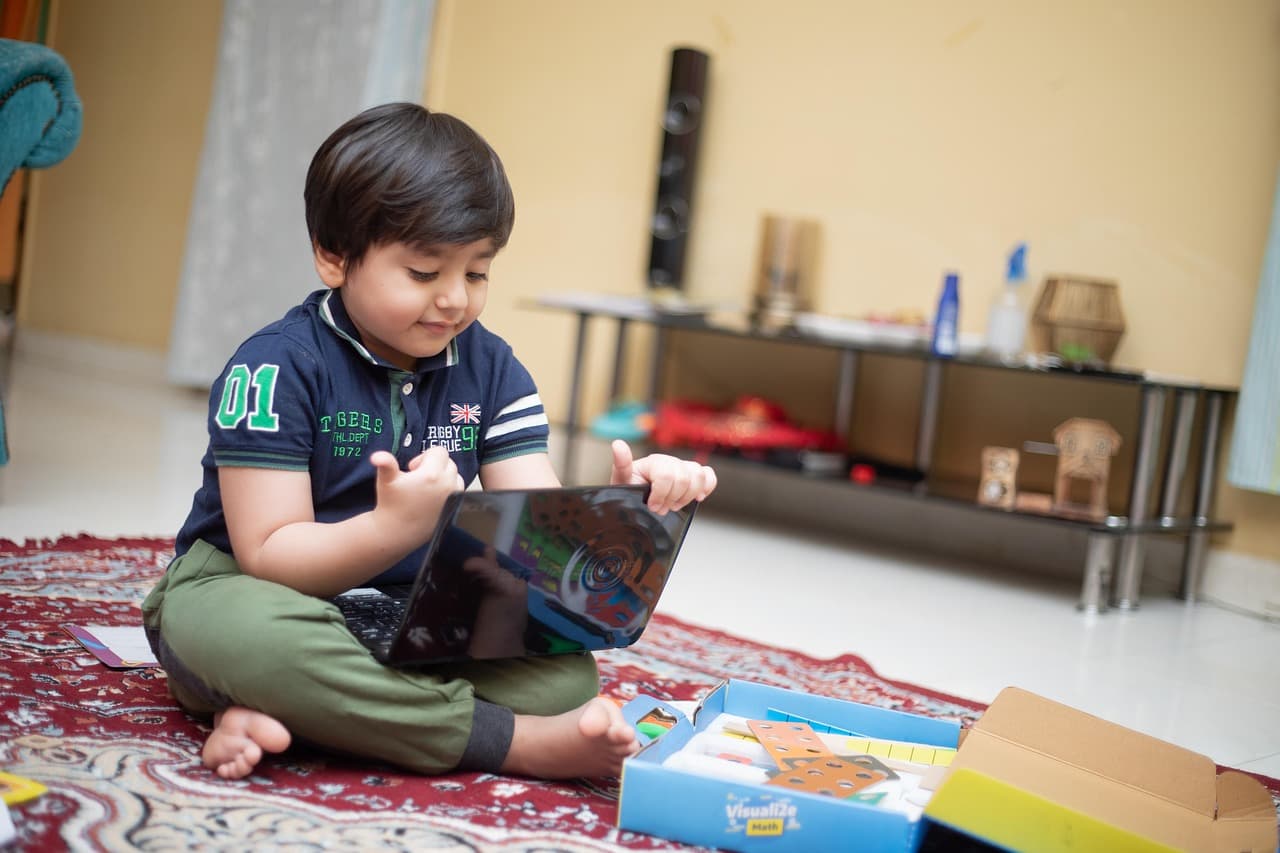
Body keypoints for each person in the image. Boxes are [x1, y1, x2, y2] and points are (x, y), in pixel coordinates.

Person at [141, 102, 716, 783]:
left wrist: (627, 506)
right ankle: (511, 742)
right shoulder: (275, 367)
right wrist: (392, 528)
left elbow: (536, 538)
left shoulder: (494, 369)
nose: (453, 300)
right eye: (423, 273)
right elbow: (270, 556)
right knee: (245, 638)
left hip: (407, 609)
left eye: (476, 273)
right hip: (252, 587)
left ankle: (282, 712)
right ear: (334, 256)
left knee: (566, 678)